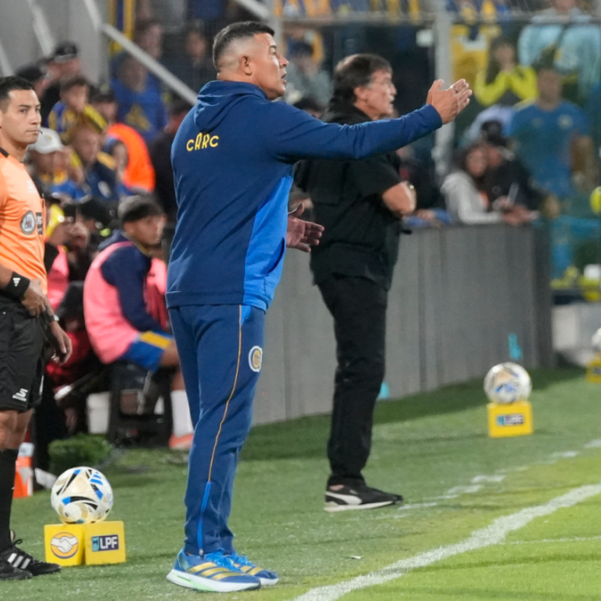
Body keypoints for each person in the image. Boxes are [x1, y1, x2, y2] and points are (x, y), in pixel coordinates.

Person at [165, 21, 469, 592]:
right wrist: (432, 117)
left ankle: (216, 545)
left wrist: (277, 229)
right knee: (223, 426)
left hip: (189, 285)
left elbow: (215, 205)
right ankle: (198, 551)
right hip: (232, 291)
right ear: (244, 66)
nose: (283, 63)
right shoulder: (258, 114)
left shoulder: (192, 123)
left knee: (215, 422)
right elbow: (352, 142)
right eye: (273, 53)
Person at [0, 75, 71, 583]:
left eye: (38, 109)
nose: (35, 117)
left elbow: (22, 256)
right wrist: (23, 289)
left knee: (17, 429)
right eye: (22, 109)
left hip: (23, 317)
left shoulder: (21, 173)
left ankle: (0, 546)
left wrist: (47, 318)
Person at [294, 54, 420, 511]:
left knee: (358, 365)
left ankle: (346, 478)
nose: (392, 92)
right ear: (359, 91)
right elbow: (400, 201)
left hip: (337, 262)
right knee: (362, 367)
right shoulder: (355, 134)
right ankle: (345, 480)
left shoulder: (324, 130)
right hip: (355, 263)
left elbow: (299, 186)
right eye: (384, 83)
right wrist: (409, 194)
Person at [84, 196, 194, 450]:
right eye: (148, 222)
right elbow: (134, 313)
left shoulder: (122, 251)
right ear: (130, 226)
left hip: (120, 333)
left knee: (178, 347)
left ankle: (161, 419)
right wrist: (166, 333)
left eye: (158, 222)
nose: (156, 228)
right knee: (185, 352)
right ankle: (182, 433)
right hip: (119, 336)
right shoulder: (124, 255)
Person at [507, 64, 594, 202]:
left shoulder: (573, 114)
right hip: (529, 188)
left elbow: (584, 147)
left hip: (564, 187)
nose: (551, 85)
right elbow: (509, 148)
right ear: (538, 83)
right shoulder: (521, 114)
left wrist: (584, 179)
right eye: (547, 80)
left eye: (555, 80)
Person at [93, 87, 156, 194]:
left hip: (136, 189)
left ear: (115, 106)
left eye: (108, 102)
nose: (103, 107)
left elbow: (142, 170)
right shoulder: (87, 135)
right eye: (99, 102)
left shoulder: (129, 134)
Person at [148, 98, 192, 221]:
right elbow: (165, 177)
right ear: (174, 119)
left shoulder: (190, 142)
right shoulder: (159, 145)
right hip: (168, 206)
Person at [474, 37, 536, 108]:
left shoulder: (526, 71)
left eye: (507, 48)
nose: (504, 52)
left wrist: (512, 77)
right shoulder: (484, 74)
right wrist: (503, 76)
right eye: (500, 49)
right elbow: (485, 99)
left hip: (522, 111)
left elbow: (532, 96)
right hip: (494, 113)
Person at [48, 75, 106, 144]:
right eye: (75, 94)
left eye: (83, 94)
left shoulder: (87, 110)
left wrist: (85, 112)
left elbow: (103, 129)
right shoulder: (58, 111)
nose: (79, 98)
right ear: (63, 95)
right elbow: (59, 137)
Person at [41, 42, 82, 119]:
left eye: (71, 63)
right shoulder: (50, 93)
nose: (69, 67)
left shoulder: (90, 90)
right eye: (64, 64)